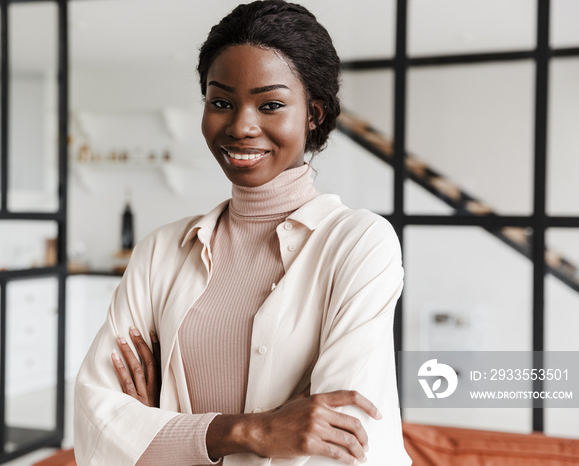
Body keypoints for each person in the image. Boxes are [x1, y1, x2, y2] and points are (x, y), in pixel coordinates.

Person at [74, 1, 411, 465]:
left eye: (270, 105)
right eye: (221, 102)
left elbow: (340, 442)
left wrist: (161, 428)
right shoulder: (160, 251)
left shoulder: (358, 244)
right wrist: (252, 431)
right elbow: (98, 422)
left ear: (313, 114)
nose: (240, 126)